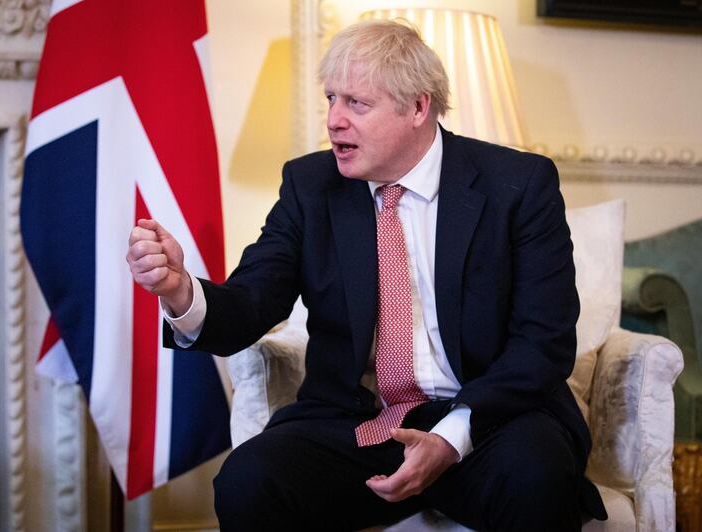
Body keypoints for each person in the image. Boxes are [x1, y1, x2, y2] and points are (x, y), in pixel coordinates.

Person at [127, 19, 607, 531]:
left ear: (418, 107)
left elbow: (544, 342)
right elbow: (251, 301)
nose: (333, 120)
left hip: (488, 421)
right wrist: (180, 292)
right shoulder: (311, 186)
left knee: (537, 477)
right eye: (331, 99)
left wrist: (452, 436)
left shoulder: (517, 185)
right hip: (361, 424)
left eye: (356, 103)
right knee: (249, 480)